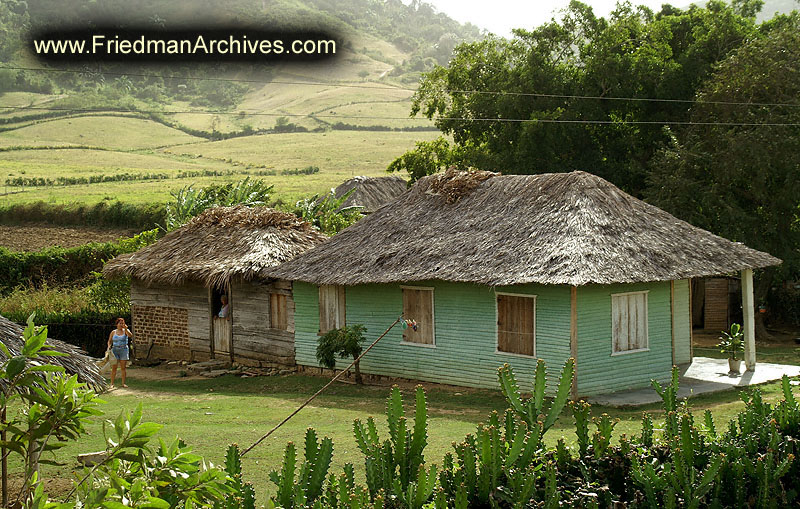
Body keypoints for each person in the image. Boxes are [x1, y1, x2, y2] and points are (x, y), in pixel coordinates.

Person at [107, 317, 133, 388]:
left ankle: (123, 383)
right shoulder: (113, 332)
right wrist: (109, 346)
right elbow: (109, 341)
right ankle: (112, 384)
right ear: (117, 324)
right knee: (114, 368)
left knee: (123, 368)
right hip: (115, 350)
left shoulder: (126, 331)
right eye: (120, 323)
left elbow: (130, 335)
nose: (121, 325)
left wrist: (126, 329)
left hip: (123, 350)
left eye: (122, 323)